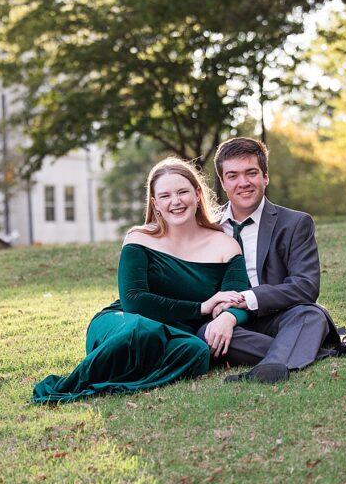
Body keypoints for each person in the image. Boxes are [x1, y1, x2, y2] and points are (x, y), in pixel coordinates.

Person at [32, 158, 251, 403]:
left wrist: (227, 318)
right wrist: (202, 308)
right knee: (143, 329)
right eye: (165, 196)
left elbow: (240, 298)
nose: (175, 202)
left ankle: (118, 381)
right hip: (123, 322)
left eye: (182, 192)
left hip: (177, 333)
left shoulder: (225, 244)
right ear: (155, 203)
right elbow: (134, 301)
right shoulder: (140, 239)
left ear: (198, 194)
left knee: (196, 352)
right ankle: (74, 384)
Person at [198, 137, 346, 385]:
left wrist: (248, 300)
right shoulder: (207, 229)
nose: (243, 183)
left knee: (310, 314)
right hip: (231, 324)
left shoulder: (295, 223)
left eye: (251, 173)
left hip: (281, 316)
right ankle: (325, 350)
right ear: (222, 181)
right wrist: (225, 314)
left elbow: (305, 286)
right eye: (233, 176)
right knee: (206, 335)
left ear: (265, 176)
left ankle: (269, 368)